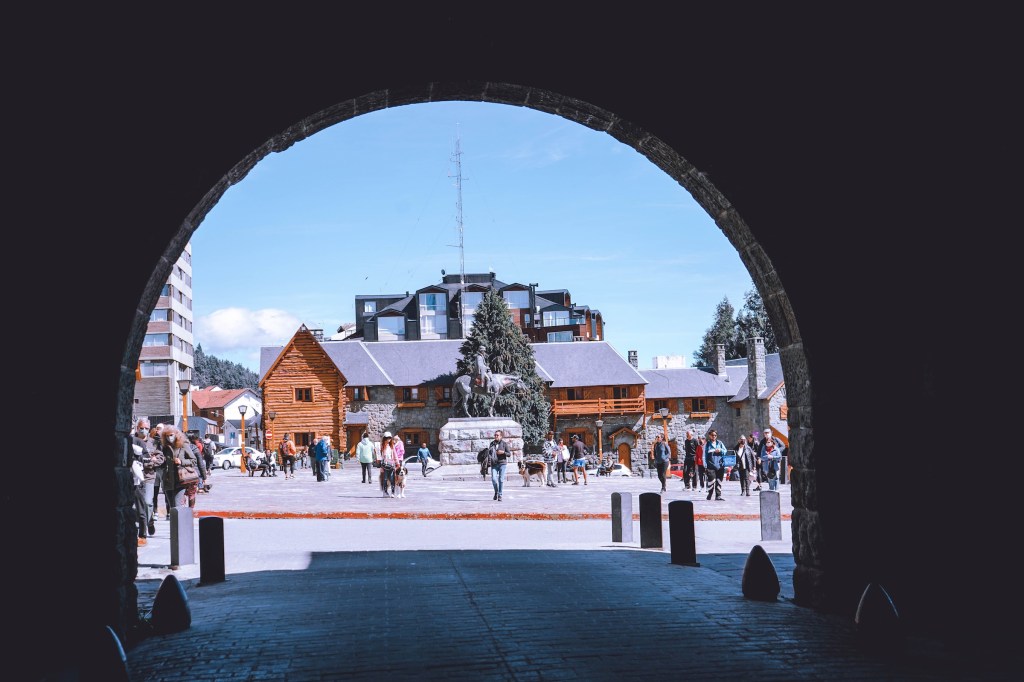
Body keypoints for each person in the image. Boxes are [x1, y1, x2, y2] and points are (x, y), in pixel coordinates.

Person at [161, 426, 200, 510]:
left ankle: (181, 522)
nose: (169, 438)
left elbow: (193, 460)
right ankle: (175, 523)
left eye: (171, 435)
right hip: (168, 481)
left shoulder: (183, 445)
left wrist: (181, 461)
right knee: (172, 507)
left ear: (176, 435)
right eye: (166, 436)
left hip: (180, 480)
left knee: (177, 506)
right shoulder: (165, 447)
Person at [703, 429, 727, 501]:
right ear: (710, 436)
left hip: (720, 465)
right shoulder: (707, 444)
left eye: (715, 435)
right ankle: (710, 494)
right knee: (711, 481)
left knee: (719, 481)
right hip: (710, 466)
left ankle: (718, 496)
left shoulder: (720, 443)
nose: (714, 437)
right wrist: (705, 465)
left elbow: (725, 451)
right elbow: (704, 455)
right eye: (713, 435)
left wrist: (720, 450)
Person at [488, 429, 511, 500]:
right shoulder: (492, 443)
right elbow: (489, 453)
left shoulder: (504, 444)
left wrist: (503, 452)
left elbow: (509, 454)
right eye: (495, 435)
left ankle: (500, 495)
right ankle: (496, 492)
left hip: (502, 464)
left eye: (497, 435)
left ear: (501, 436)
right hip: (494, 464)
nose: (495, 436)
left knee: (501, 480)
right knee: (494, 479)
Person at [380, 432, 399, 497]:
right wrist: (380, 465)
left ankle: (393, 492)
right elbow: (380, 456)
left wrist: (397, 463)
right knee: (385, 479)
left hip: (391, 464)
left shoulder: (392, 446)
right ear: (384, 438)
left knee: (392, 478)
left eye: (390, 438)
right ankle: (385, 492)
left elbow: (395, 455)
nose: (389, 439)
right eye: (387, 438)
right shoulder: (382, 446)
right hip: (384, 465)